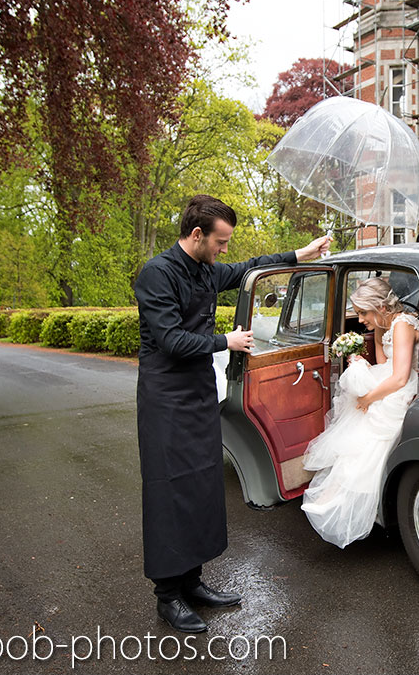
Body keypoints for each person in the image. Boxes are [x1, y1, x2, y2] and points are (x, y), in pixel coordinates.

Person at [134, 194, 330, 634]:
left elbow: (248, 268)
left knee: (203, 484)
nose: (225, 250)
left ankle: (193, 581)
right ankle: (168, 595)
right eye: (220, 242)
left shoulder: (206, 269)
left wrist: (301, 254)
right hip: (165, 398)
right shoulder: (156, 274)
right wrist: (227, 341)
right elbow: (170, 339)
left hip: (200, 392)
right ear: (198, 234)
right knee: (170, 491)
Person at [301, 278, 419, 549]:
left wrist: (368, 398)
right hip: (389, 380)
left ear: (379, 306)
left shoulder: (403, 324)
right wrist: (358, 362)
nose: (360, 319)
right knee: (355, 418)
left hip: (404, 384)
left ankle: (348, 498)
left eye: (363, 312)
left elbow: (400, 377)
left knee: (366, 427)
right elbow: (382, 363)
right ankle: (338, 494)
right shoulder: (383, 325)